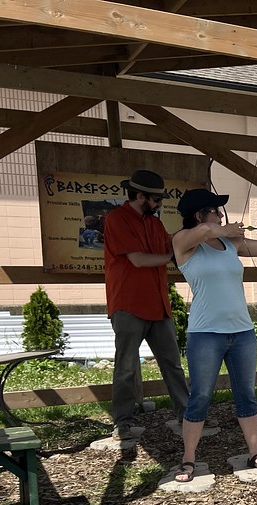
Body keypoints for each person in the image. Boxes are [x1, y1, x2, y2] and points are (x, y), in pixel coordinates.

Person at [170, 188, 257, 482]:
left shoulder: (229, 243)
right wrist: (219, 228)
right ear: (200, 215)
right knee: (199, 396)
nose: (221, 215)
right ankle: (189, 459)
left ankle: (255, 452)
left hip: (242, 332)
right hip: (205, 334)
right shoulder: (183, 244)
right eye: (216, 210)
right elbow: (201, 232)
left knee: (246, 394)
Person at [104, 169, 189, 440]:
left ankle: (187, 416)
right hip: (127, 305)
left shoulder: (155, 224)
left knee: (172, 364)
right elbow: (138, 260)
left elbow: (173, 248)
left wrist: (198, 237)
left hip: (159, 305)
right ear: (140, 196)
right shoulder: (116, 219)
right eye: (155, 199)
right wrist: (170, 257)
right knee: (125, 366)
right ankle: (123, 423)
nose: (160, 204)